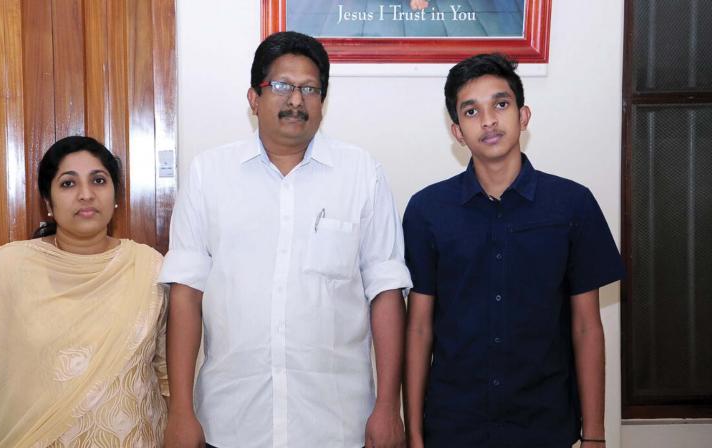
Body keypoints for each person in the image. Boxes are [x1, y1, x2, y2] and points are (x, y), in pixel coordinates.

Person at [159, 31, 411, 448]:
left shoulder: (361, 174)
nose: (296, 100)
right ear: (254, 98)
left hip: (336, 424)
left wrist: (388, 408)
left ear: (323, 102)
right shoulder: (209, 175)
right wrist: (181, 412)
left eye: (310, 89)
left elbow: (385, 293)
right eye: (281, 86)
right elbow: (186, 294)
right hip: (232, 421)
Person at [403, 54, 625, 448]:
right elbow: (419, 327)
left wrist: (594, 435)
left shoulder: (572, 205)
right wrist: (415, 434)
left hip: (545, 424)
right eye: (472, 111)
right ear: (457, 131)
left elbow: (587, 326)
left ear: (523, 116)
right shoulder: (427, 211)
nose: (488, 120)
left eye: (500, 105)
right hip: (454, 427)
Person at [0, 136, 169, 447]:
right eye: (68, 184)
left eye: (98, 180)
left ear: (116, 196)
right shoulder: (10, 268)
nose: (85, 194)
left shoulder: (147, 266)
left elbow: (165, 371)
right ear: (48, 203)